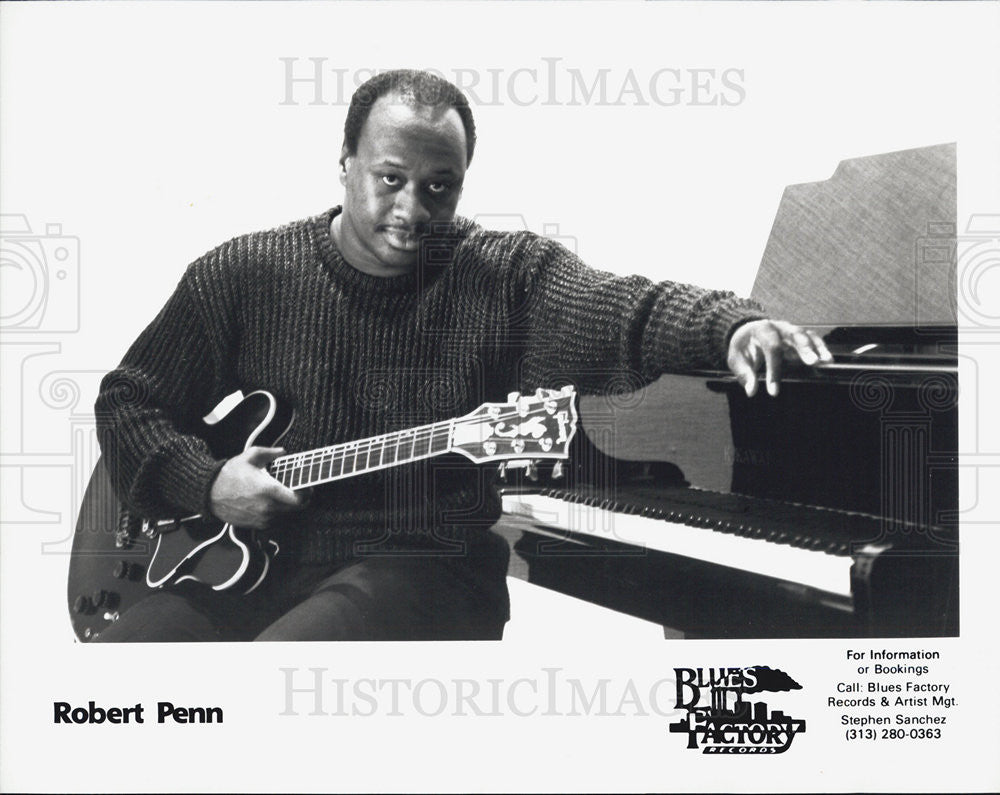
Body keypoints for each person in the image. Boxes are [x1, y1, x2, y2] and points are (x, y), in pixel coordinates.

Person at [93, 69, 831, 642]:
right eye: (390, 179)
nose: (413, 210)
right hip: (245, 569)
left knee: (277, 686)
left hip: (421, 566)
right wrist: (206, 481)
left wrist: (731, 327)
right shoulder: (244, 273)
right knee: (120, 684)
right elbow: (129, 401)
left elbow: (619, 307)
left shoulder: (502, 275)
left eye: (439, 187)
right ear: (346, 163)